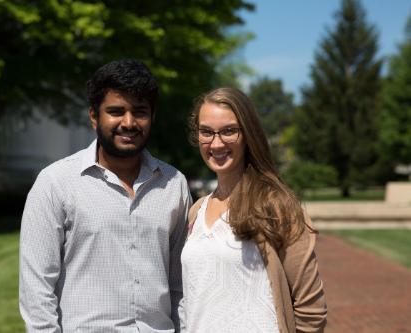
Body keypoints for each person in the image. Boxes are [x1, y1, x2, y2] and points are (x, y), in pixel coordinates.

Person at [19, 59, 192, 333]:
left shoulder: (174, 184)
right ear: (93, 116)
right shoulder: (56, 182)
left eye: (140, 112)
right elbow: (36, 287)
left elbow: (180, 285)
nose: (129, 122)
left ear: (152, 116)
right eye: (115, 111)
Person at [179, 87, 327, 333]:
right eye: (206, 132)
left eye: (229, 131)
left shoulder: (277, 206)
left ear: (248, 134)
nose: (216, 143)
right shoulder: (196, 210)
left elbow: (311, 311)